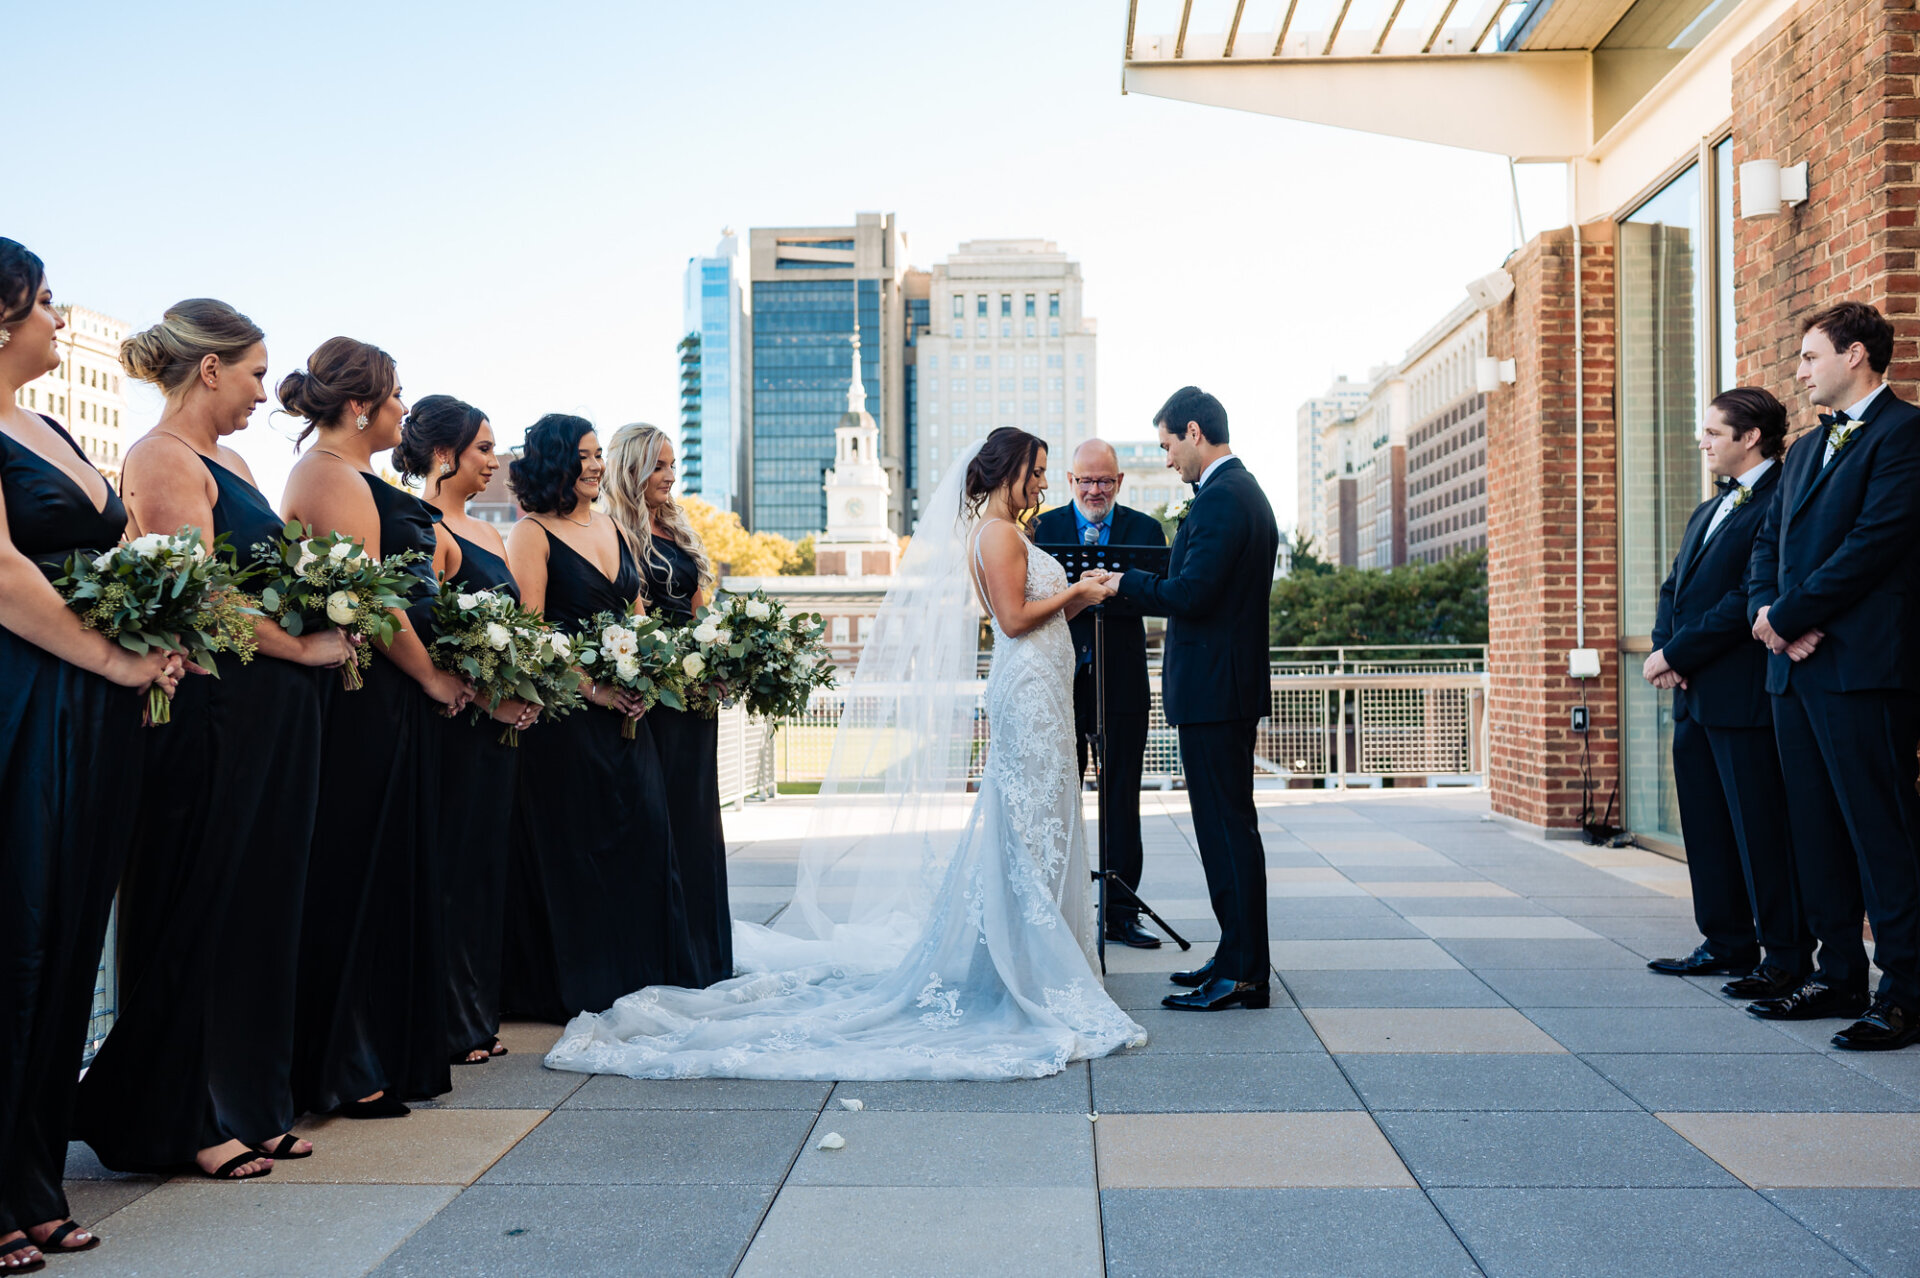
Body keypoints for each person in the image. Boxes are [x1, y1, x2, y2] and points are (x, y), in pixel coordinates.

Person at [541, 428, 1145, 1080]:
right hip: (1029, 690)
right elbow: (1013, 619)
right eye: (1038, 471)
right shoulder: (997, 534)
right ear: (1009, 471)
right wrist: (1082, 594)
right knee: (1026, 828)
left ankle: (1030, 956)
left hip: (1040, 691)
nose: (1045, 484)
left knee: (1033, 828)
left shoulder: (1002, 530)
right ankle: (1025, 964)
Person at [75, 301, 352, 1181]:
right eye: (257, 372)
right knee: (207, 902)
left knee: (265, 907)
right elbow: (201, 601)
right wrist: (309, 643)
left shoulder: (231, 460)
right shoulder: (161, 458)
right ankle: (179, 1114)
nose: (264, 391)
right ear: (209, 369)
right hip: (215, 718)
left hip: (274, 718)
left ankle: (250, 1100)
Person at [0, 241, 181, 1270]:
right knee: (15, 928)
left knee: (68, 932)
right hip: (24, 695)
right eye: (45, 304)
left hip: (90, 703)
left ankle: (32, 1174)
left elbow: (105, 555)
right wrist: (113, 661)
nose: (59, 321)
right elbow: (2, 574)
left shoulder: (54, 424)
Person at [282, 338, 470, 1117]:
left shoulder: (357, 474)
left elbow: (425, 572)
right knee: (355, 870)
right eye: (395, 397)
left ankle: (383, 1045)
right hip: (365, 698)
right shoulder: (326, 474)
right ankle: (343, 1060)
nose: (404, 410)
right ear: (361, 405)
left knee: (395, 869)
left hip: (393, 698)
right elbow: (366, 591)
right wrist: (429, 672)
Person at [1747, 301, 1920, 1051]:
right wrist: (1767, 611)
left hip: (1861, 669)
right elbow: (1766, 545)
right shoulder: (1806, 453)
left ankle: (1906, 992)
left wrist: (1790, 616)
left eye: (1811, 357)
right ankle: (1836, 974)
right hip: (1794, 671)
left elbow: (1875, 544)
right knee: (1814, 830)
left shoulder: (1907, 434)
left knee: (1883, 834)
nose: (1800, 371)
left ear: (1856, 355)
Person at [500, 415, 698, 1020]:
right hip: (566, 726)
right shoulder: (530, 535)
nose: (595, 466)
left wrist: (644, 678)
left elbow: (638, 621)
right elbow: (527, 638)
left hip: (627, 719)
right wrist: (596, 691)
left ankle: (645, 974)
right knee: (578, 855)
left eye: (597, 456)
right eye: (584, 456)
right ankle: (584, 984)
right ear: (556, 462)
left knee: (642, 840)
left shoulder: (613, 525)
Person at [1100, 386, 1279, 1012]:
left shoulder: (1225, 500)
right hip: (1219, 691)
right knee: (1226, 830)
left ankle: (1244, 973)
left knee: (1227, 832)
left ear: (1194, 432)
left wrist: (1123, 582)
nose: (1168, 458)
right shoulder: (1236, 493)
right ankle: (1237, 956)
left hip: (1216, 694)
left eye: (1168, 444)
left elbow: (1191, 593)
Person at [1641, 388, 1808, 1000]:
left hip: (1742, 696)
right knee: (1707, 827)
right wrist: (1666, 650)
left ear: (1751, 437)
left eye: (1714, 432)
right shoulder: (1710, 507)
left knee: (1759, 828)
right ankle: (1726, 940)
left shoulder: (1780, 498)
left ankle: (1785, 955)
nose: (1703, 441)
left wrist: (1676, 654)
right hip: (1694, 695)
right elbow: (1673, 587)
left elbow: (1747, 598)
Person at [395, 395, 537, 1065]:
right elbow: (435, 635)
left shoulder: (489, 531)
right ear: (445, 454)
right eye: (483, 448)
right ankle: (448, 1019)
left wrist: (527, 685)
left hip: (499, 729)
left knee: (486, 867)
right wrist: (488, 697)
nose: (493, 461)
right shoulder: (424, 527)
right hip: (454, 725)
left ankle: (477, 1010)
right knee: (449, 867)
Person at [602, 422, 732, 986]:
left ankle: (706, 953)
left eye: (673, 465)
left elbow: (699, 610)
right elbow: (633, 620)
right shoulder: (613, 530)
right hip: (656, 695)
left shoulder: (676, 528)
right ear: (630, 469)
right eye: (658, 466)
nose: (670, 476)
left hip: (697, 697)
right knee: (662, 821)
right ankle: (670, 953)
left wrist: (723, 661)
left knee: (698, 819)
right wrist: (671, 669)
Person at [1032, 438, 1166, 950]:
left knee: (1122, 799)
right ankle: (1057, 911)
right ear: (1070, 481)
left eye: (1104, 481)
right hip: (1060, 680)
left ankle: (1121, 913)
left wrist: (1117, 586)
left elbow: (1161, 595)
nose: (1094, 490)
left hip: (1124, 682)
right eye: (1085, 480)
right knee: (1058, 796)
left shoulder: (1145, 530)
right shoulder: (1043, 529)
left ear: (1119, 483)